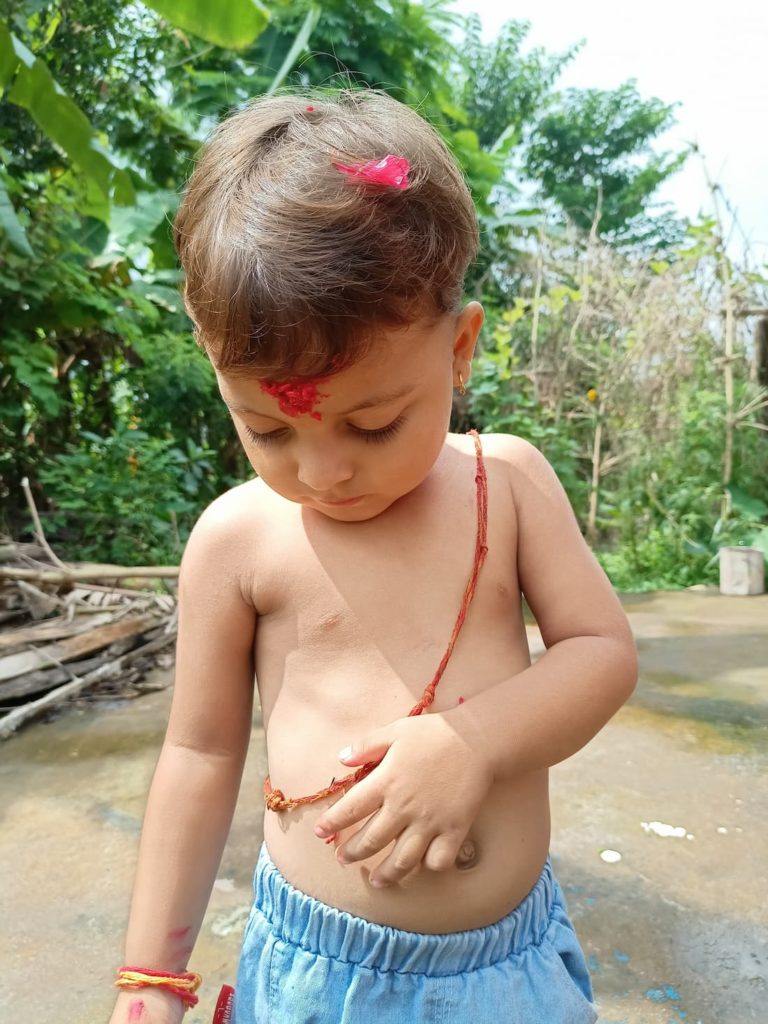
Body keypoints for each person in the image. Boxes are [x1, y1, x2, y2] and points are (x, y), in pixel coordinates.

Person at [109, 89, 637, 1024]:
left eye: (375, 421)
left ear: (460, 349)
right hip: (320, 981)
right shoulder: (237, 543)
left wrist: (472, 745)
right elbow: (198, 755)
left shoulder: (502, 487)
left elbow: (602, 653)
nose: (322, 471)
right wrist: (153, 979)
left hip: (506, 976)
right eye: (266, 429)